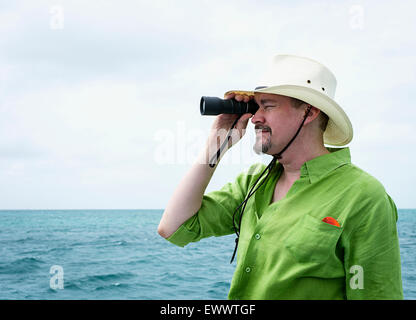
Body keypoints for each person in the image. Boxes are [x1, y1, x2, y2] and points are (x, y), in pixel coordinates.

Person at [157, 54, 403, 299]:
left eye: (268, 106)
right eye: (255, 107)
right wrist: (215, 144)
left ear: (309, 112)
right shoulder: (254, 182)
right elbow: (173, 227)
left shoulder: (364, 196)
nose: (255, 118)